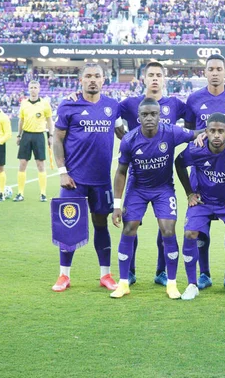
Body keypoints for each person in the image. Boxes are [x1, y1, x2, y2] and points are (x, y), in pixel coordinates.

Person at [110, 98, 201, 299]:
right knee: (129, 228)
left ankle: (171, 283)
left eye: (153, 114)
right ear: (138, 117)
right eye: (145, 114)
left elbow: (195, 134)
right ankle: (123, 283)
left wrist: (213, 132)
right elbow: (121, 172)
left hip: (163, 190)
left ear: (160, 116)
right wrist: (117, 204)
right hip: (138, 189)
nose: (149, 118)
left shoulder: (170, 132)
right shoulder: (129, 139)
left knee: (168, 230)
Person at [51, 63, 124, 292]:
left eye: (97, 76)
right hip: (74, 181)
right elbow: (57, 139)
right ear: (80, 80)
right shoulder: (69, 105)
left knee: (101, 226)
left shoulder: (113, 107)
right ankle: (64, 276)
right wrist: (62, 172)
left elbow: (124, 135)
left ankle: (106, 275)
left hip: (101, 181)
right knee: (68, 227)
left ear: (104, 80)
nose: (93, 80)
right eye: (88, 76)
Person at [118, 61, 187, 287]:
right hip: (137, 180)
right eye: (151, 75)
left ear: (164, 79)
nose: (155, 78)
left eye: (159, 75)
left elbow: (195, 121)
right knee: (131, 226)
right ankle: (128, 272)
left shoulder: (175, 104)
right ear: (144, 79)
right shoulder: (129, 103)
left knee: (165, 227)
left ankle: (162, 271)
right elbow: (106, 111)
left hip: (163, 180)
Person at [185, 54, 225, 292]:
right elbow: (191, 133)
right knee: (200, 228)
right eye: (210, 68)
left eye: (218, 69)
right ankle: (204, 275)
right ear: (205, 72)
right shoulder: (194, 99)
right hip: (202, 175)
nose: (214, 72)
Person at [175, 113, 225, 302]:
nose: (216, 135)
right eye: (212, 131)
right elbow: (178, 163)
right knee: (190, 233)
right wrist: (189, 193)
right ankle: (192, 284)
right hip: (203, 201)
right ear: (206, 132)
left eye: (221, 131)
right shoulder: (196, 148)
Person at [14, 80, 53, 202]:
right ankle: (20, 193)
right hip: (26, 135)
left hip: (39, 136)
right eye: (31, 87)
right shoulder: (24, 103)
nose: (33, 89)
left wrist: (50, 135)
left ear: (39, 89)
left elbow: (49, 120)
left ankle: (43, 194)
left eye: (35, 87)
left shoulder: (45, 104)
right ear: (28, 89)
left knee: (40, 164)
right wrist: (19, 135)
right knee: (22, 164)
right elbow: (21, 120)